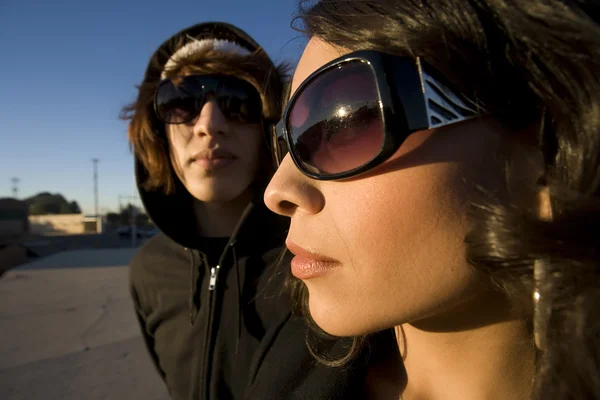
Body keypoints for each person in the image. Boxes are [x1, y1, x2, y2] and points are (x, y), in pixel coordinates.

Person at [264, 1, 600, 399]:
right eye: (288, 140)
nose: (277, 190)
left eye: (345, 122)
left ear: (547, 151)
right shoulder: (276, 369)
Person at [122, 22, 388, 400]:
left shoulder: (317, 262)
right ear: (155, 130)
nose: (210, 126)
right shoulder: (147, 271)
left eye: (238, 102)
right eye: (180, 102)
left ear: (270, 127)